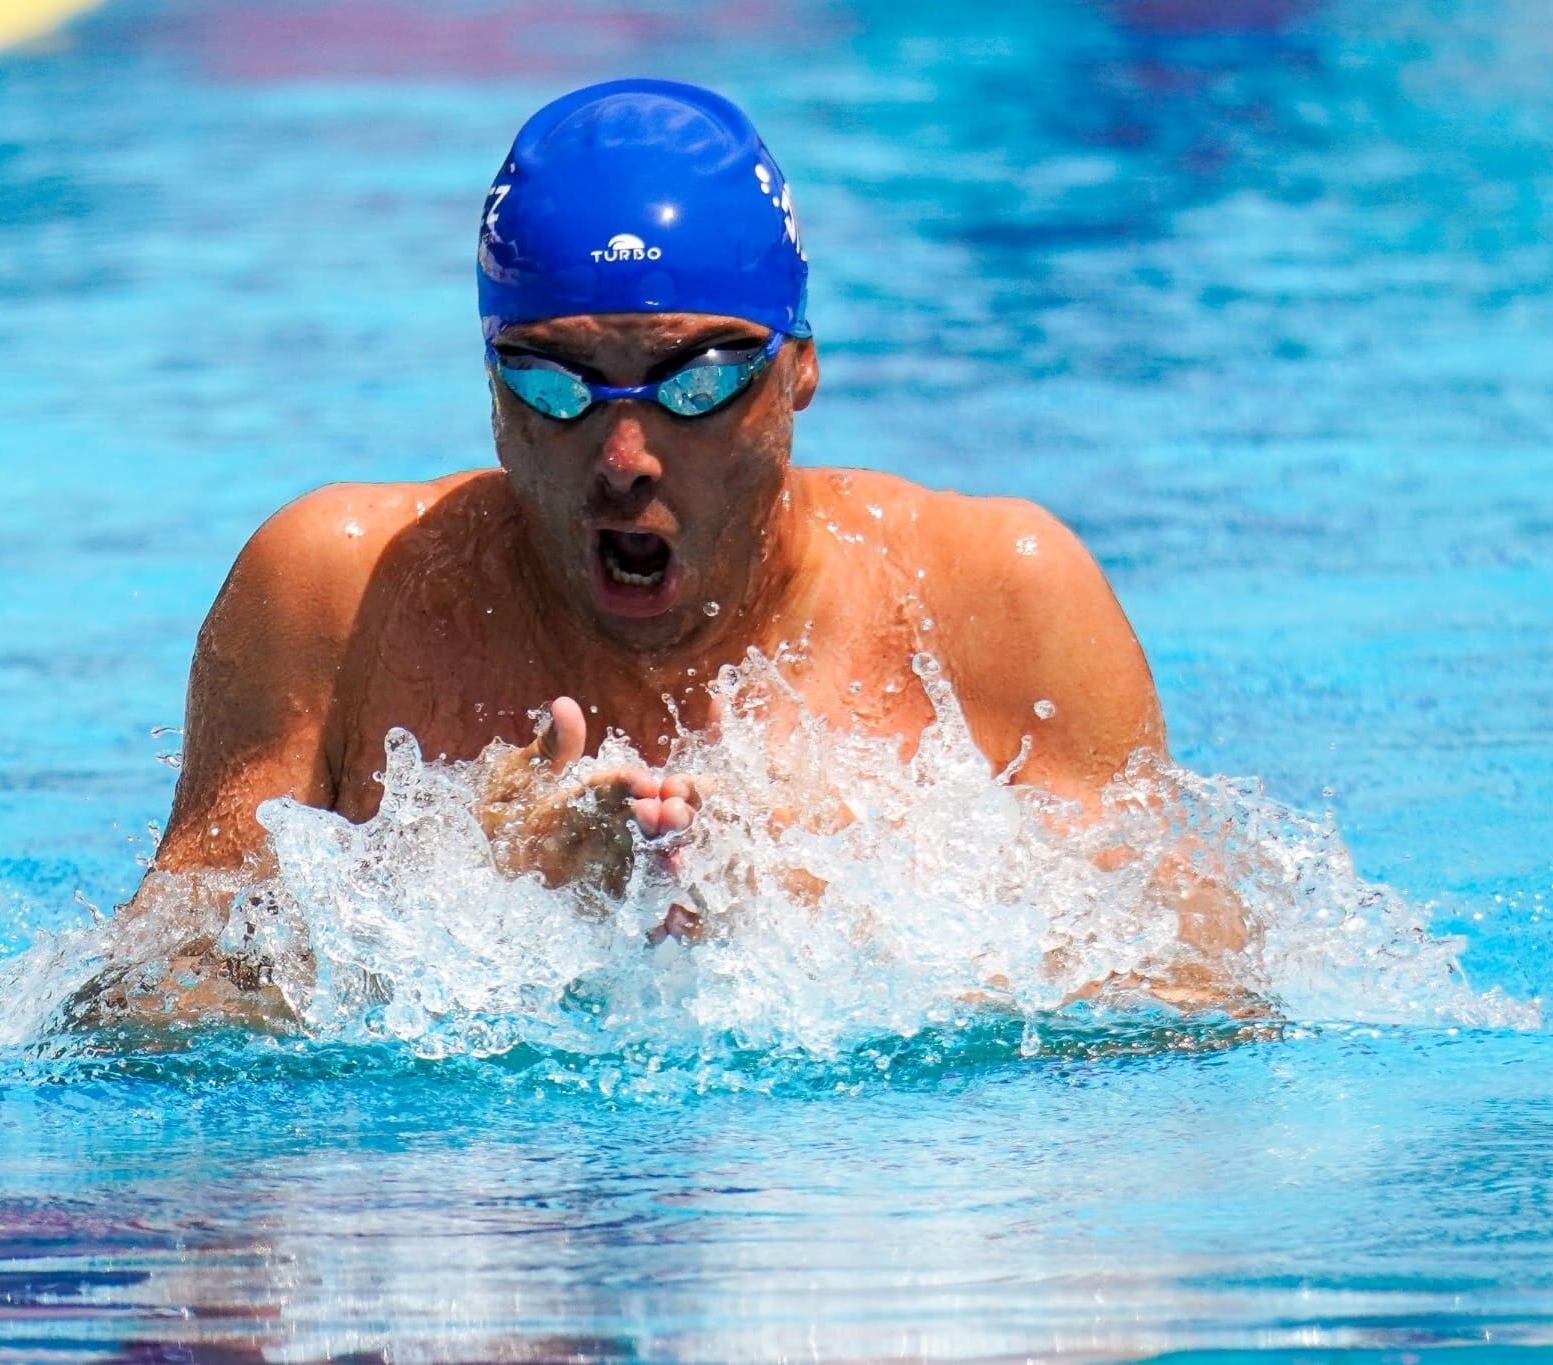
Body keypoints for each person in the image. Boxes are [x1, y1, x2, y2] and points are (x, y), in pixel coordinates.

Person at [74, 78, 1247, 1028]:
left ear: (797, 371)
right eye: (553, 380)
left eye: (695, 381)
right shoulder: (339, 588)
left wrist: (808, 910)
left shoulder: (997, 593)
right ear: (491, 391)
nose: (623, 454)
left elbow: (1206, 996)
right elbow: (130, 1012)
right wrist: (468, 892)